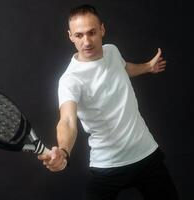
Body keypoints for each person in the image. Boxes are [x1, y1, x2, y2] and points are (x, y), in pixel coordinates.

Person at [38, 4, 179, 200]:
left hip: (146, 154)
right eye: (79, 35)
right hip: (108, 165)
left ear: (102, 29)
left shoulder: (112, 51)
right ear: (70, 36)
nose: (86, 41)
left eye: (92, 32)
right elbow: (68, 121)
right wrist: (63, 150)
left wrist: (147, 67)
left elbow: (124, 68)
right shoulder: (70, 80)